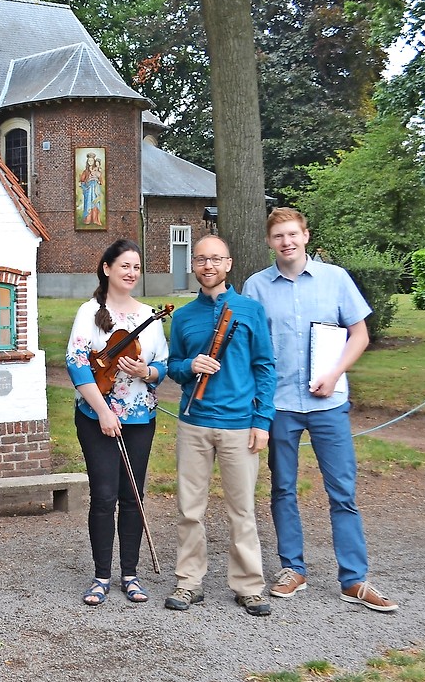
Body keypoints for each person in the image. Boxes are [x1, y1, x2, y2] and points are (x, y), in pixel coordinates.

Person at [243, 208, 397, 612]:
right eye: (278, 236)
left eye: (293, 234)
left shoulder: (336, 279)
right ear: (269, 241)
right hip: (279, 406)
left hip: (328, 403)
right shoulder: (255, 287)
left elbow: (359, 334)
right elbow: (249, 348)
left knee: (343, 492)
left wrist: (334, 373)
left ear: (306, 236)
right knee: (283, 489)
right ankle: (293, 569)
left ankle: (354, 579)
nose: (286, 242)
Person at [165, 235, 276, 617]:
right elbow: (173, 367)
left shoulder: (249, 310)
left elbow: (264, 367)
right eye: (200, 260)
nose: (208, 266)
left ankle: (249, 586)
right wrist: (189, 366)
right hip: (193, 423)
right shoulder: (182, 317)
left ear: (228, 264)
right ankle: (188, 581)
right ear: (193, 265)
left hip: (239, 424)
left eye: (215, 259)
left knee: (242, 509)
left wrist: (263, 420)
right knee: (189, 508)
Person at [64, 239, 168, 607]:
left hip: (141, 417)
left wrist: (148, 370)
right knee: (105, 496)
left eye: (136, 267)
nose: (131, 273)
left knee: (133, 496)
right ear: (107, 269)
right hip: (97, 417)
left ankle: (130, 574)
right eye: (124, 265)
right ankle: (101, 576)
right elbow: (77, 363)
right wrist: (104, 411)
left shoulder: (149, 316)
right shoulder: (90, 311)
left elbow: (163, 365)